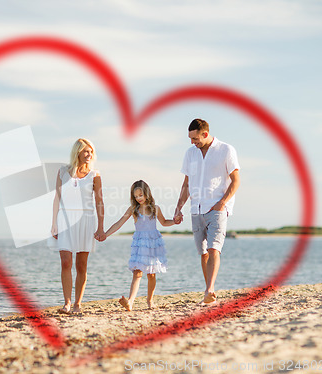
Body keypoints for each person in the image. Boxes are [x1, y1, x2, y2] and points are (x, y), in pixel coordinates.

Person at [174, 119, 240, 305]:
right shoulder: (190, 154)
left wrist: (222, 203)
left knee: (214, 249)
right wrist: (178, 208)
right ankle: (208, 291)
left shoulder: (226, 150)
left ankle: (210, 289)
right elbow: (186, 184)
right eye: (190, 139)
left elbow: (236, 180)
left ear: (205, 134)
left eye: (195, 138)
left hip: (216, 208)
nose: (192, 142)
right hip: (196, 209)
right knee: (203, 252)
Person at [102, 180, 178, 311]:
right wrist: (105, 234)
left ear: (147, 193)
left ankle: (150, 301)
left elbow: (164, 222)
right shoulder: (133, 209)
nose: (138, 198)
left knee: (151, 274)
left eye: (140, 195)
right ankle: (130, 302)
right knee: (137, 273)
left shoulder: (155, 208)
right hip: (140, 243)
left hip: (153, 243)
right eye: (136, 196)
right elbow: (118, 224)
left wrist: (175, 221)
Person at [50, 138, 105, 314]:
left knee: (82, 265)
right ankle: (66, 303)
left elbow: (99, 202)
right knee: (65, 262)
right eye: (85, 151)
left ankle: (77, 304)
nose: (89, 155)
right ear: (78, 152)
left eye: (91, 152)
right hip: (65, 220)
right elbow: (57, 198)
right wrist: (53, 224)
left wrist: (101, 226)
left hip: (86, 220)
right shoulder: (62, 172)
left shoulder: (95, 175)